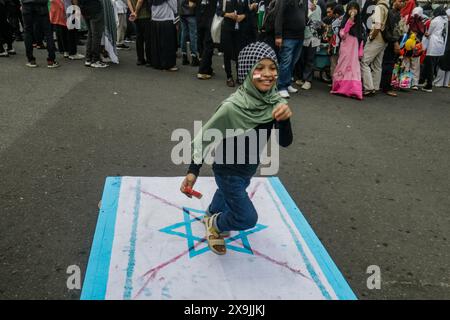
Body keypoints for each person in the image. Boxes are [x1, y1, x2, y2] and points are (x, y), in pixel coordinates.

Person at [180, 42, 293, 255]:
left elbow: (284, 142)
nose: (268, 74)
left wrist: (285, 120)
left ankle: (211, 212)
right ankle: (216, 224)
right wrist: (192, 171)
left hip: (248, 168)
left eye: (272, 67)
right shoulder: (232, 107)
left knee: (226, 193)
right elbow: (204, 137)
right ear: (247, 71)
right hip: (227, 169)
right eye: (259, 68)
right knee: (246, 217)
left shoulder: (274, 102)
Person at [330, 1, 364, 100]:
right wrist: (350, 21)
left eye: (355, 8)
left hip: (354, 49)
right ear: (347, 10)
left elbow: (361, 37)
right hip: (346, 48)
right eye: (351, 8)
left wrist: (360, 51)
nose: (353, 11)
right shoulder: (344, 21)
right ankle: (340, 89)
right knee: (342, 66)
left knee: (354, 69)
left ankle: (354, 91)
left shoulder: (359, 23)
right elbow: (343, 35)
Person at [275, 0, 308, 98]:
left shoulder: (304, 1)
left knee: (293, 61)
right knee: (286, 62)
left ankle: (287, 83)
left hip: (300, 36)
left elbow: (305, 16)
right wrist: (278, 35)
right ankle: (281, 87)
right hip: (288, 36)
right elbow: (279, 16)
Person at [360, 0, 389, 96]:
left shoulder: (378, 7)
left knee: (364, 62)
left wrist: (371, 37)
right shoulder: (386, 7)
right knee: (377, 64)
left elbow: (377, 26)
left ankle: (369, 87)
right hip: (384, 39)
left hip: (376, 38)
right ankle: (375, 86)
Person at [217, 0, 250, 87]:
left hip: (240, 30)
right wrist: (228, 15)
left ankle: (239, 76)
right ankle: (229, 76)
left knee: (240, 53)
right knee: (227, 53)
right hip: (227, 28)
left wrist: (243, 16)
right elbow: (218, 11)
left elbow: (248, 12)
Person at [21, 0, 59, 68]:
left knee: (27, 31)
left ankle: (31, 60)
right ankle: (51, 60)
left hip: (26, 4)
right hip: (41, 4)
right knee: (48, 32)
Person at [420, 6, 449, 92]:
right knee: (430, 63)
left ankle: (429, 85)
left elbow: (429, 33)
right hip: (441, 45)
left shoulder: (435, 20)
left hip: (433, 45)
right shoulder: (446, 20)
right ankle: (422, 80)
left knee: (429, 65)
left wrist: (426, 34)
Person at [295, 0, 322, 91]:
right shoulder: (301, 6)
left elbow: (318, 25)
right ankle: (303, 78)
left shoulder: (318, 8)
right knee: (301, 58)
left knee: (310, 59)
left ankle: (308, 80)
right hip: (302, 36)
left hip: (313, 37)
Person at [73, 0, 109, 68]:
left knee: (91, 33)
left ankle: (89, 58)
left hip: (84, 8)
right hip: (94, 8)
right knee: (96, 35)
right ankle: (95, 60)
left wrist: (77, 8)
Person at [380, 0, 404, 97]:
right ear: (394, 1)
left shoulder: (398, 14)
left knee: (390, 64)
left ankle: (385, 85)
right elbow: (387, 30)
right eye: (400, 1)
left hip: (395, 42)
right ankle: (386, 87)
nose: (402, 3)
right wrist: (394, 42)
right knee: (388, 64)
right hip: (389, 43)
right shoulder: (390, 13)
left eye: (403, 2)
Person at [150, 0, 179, 71]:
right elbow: (173, 5)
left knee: (157, 43)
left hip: (155, 18)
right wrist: (176, 13)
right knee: (167, 43)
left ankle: (157, 63)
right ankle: (168, 64)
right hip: (166, 18)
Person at [196, 0, 217, 79]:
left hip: (200, 16)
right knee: (208, 44)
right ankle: (203, 70)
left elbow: (191, 4)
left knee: (201, 42)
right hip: (210, 17)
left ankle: (207, 68)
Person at [128, 0, 152, 66]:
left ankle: (140, 59)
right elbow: (140, 1)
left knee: (139, 38)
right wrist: (136, 12)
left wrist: (132, 12)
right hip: (145, 15)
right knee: (148, 39)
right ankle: (149, 60)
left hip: (136, 17)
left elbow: (129, 1)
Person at [179, 0, 200, 66]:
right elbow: (192, 3)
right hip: (190, 11)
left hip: (181, 11)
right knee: (193, 35)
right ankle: (194, 57)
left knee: (184, 34)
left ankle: (184, 56)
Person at [434, 9, 450, 88]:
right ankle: (446, 83)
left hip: (446, 46)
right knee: (448, 66)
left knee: (442, 64)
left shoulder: (446, 23)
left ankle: (438, 82)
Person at [328, 4, 345, 77]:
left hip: (336, 47)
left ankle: (334, 83)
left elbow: (332, 36)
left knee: (334, 65)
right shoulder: (348, 19)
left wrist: (329, 47)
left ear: (337, 14)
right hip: (347, 47)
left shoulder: (335, 23)